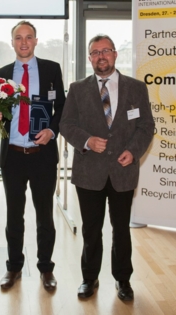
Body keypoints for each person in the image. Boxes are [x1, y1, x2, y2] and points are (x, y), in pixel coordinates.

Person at [60, 34, 154, 301]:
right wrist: (87, 141)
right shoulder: (77, 89)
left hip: (123, 171)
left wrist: (133, 152)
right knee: (91, 229)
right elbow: (66, 125)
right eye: (95, 52)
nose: (101, 56)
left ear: (115, 54)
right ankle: (89, 279)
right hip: (89, 172)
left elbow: (146, 125)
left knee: (121, 229)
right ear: (89, 58)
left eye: (106, 51)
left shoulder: (136, 88)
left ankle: (123, 280)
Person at [0, 21, 65, 291]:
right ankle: (14, 267)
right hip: (12, 155)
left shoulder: (51, 69)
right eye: (18, 38)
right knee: (14, 215)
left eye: (29, 37)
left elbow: (61, 108)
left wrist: (52, 131)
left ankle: (46, 268)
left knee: (44, 215)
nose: (24, 42)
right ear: (12, 42)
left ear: (36, 41)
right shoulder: (1, 74)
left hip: (42, 154)